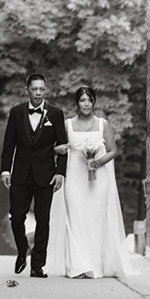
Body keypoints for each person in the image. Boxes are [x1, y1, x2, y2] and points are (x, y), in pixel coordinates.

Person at [46, 87, 134, 278]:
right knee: (75, 217)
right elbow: (57, 148)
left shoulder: (103, 125)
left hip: (98, 179)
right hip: (74, 176)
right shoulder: (67, 125)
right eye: (82, 100)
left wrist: (98, 162)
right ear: (77, 103)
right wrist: (55, 151)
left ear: (94, 102)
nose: (86, 104)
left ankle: (95, 263)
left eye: (89, 100)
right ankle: (77, 266)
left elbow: (113, 150)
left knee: (95, 219)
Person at [0, 73, 70, 277]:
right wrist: (5, 170)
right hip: (20, 175)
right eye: (34, 89)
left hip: (45, 175)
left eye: (41, 89)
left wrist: (60, 173)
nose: (38, 93)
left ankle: (38, 265)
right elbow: (9, 145)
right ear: (27, 90)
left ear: (45, 90)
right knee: (17, 216)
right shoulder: (16, 113)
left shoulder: (55, 114)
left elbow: (63, 146)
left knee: (43, 219)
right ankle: (23, 250)